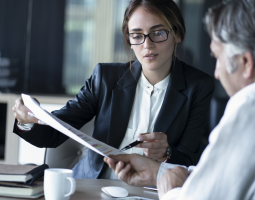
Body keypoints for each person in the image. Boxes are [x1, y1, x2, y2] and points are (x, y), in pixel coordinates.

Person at [104, 0, 255, 199]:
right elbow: (225, 177)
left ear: (245, 62)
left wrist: (171, 192)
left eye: (218, 58)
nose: (216, 73)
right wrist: (158, 173)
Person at [12, 0, 214, 179]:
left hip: (154, 192)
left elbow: (191, 161)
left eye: (158, 33)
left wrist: (167, 152)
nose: (147, 45)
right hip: (94, 187)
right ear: (129, 41)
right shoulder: (105, 78)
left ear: (177, 34)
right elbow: (54, 133)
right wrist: (26, 119)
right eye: (137, 35)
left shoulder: (198, 86)